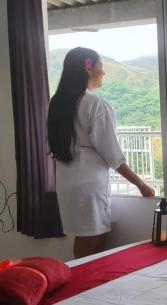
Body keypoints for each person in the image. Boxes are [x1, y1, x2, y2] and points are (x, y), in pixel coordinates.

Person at [47, 47, 155, 259]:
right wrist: (140, 184)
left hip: (67, 181)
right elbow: (112, 154)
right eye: (101, 67)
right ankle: (82, 284)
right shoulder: (96, 105)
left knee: (87, 238)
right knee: (89, 240)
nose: (103, 73)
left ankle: (87, 282)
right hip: (89, 183)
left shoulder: (57, 103)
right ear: (88, 69)